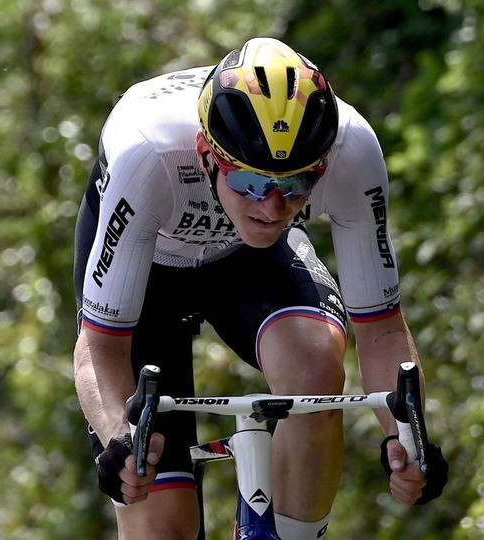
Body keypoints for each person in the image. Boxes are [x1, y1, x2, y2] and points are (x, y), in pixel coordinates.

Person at [72, 37, 447, 540]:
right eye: (251, 181)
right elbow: (100, 347)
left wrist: (406, 440)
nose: (272, 206)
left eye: (295, 186)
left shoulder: (350, 150)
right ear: (208, 154)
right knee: (160, 526)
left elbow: (380, 329)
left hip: (247, 258)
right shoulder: (150, 154)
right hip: (149, 267)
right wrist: (120, 435)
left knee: (314, 363)